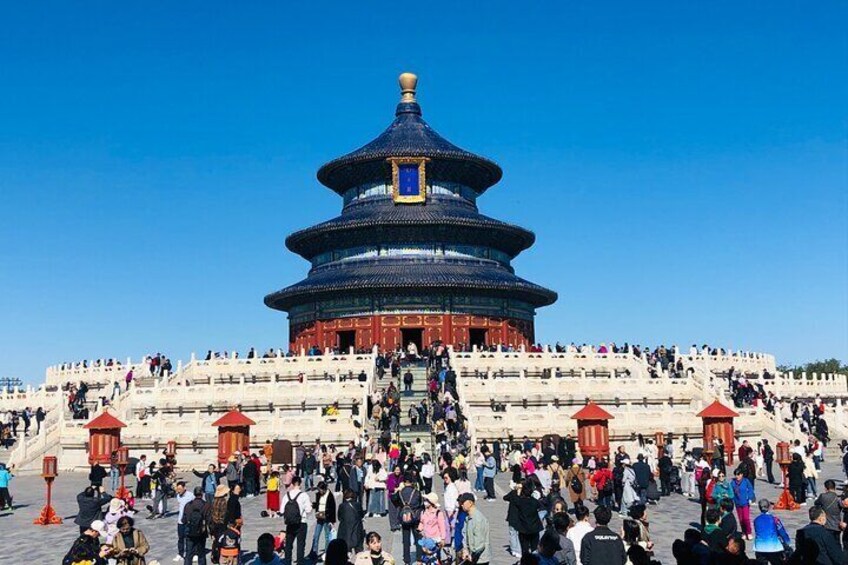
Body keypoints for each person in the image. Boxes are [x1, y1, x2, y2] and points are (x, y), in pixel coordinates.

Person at [503, 478, 544, 555]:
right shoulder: (535, 502)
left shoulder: (520, 502)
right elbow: (541, 507)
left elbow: (512, 499)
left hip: (524, 529)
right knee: (534, 550)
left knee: (524, 550)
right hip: (535, 528)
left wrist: (516, 491)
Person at [283, 475, 311, 565]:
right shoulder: (304, 495)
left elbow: (281, 510)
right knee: (300, 544)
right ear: (300, 484)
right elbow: (308, 510)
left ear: (292, 483)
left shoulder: (286, 495)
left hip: (290, 523)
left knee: (288, 544)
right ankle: (300, 562)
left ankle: (287, 561)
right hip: (301, 522)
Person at [752, 499, 791, 564]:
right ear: (769, 507)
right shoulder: (774, 519)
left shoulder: (756, 520)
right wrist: (787, 542)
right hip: (773, 547)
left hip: (760, 547)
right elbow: (782, 532)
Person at [182, 486, 211, 565]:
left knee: (189, 554)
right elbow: (209, 520)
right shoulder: (206, 505)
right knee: (201, 554)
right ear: (202, 494)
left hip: (189, 532)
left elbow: (183, 520)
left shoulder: (188, 505)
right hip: (201, 532)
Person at [308, 481, 337, 561]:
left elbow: (333, 508)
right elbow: (318, 504)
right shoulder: (318, 495)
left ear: (324, 489)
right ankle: (314, 552)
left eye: (321, 490)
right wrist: (314, 505)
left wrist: (332, 520)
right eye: (319, 490)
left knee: (327, 536)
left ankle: (327, 553)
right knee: (316, 535)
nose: (320, 491)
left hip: (327, 518)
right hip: (319, 517)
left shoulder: (330, 495)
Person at [459, 493, 490, 565]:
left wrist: (471, 554)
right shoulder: (467, 517)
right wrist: (465, 549)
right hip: (471, 557)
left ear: (470, 503)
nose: (461, 505)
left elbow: (480, 543)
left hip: (479, 559)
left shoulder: (478, 519)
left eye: (463, 502)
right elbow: (464, 535)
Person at [814, 480, 843, 546]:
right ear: (834, 488)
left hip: (826, 524)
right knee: (837, 543)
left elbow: (816, 503)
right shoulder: (838, 498)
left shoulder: (823, 496)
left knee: (827, 545)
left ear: (825, 488)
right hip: (837, 525)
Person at [337, 489, 366, 555]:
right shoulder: (358, 505)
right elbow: (361, 515)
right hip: (357, 530)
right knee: (359, 552)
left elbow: (339, 517)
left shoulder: (342, 506)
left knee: (346, 552)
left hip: (345, 532)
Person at [173, 481, 195, 562]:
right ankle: (180, 553)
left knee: (189, 538)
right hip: (180, 521)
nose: (178, 491)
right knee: (180, 538)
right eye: (177, 489)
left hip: (188, 521)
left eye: (180, 489)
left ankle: (192, 553)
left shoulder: (191, 496)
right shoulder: (178, 496)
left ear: (184, 488)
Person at [731, 468, 755, 540]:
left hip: (745, 502)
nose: (737, 476)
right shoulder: (733, 483)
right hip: (737, 503)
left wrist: (750, 498)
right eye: (736, 475)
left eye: (738, 475)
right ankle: (743, 532)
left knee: (746, 518)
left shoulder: (746, 481)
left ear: (742, 475)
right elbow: (731, 492)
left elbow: (750, 489)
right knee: (741, 519)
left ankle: (749, 532)